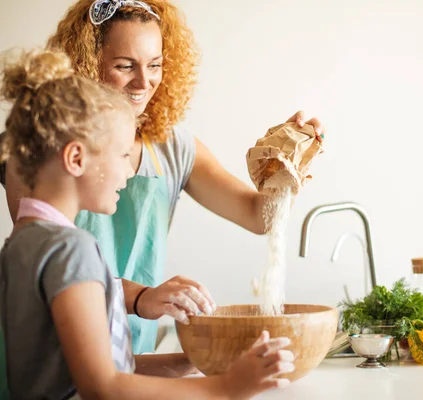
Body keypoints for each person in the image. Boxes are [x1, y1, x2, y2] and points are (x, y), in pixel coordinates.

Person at [1, 0, 326, 354]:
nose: (144, 81)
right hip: (49, 355)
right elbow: (44, 261)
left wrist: (286, 163)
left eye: (155, 65)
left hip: (131, 354)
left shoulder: (173, 146)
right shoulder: (40, 145)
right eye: (125, 66)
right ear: (88, 63)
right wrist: (142, 297)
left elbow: (257, 216)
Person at [0, 48, 294, 399]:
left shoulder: (23, 242)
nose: (129, 170)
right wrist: (227, 387)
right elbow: (103, 386)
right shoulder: (71, 249)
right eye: (124, 155)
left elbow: (82, 371)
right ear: (76, 158)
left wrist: (194, 362)